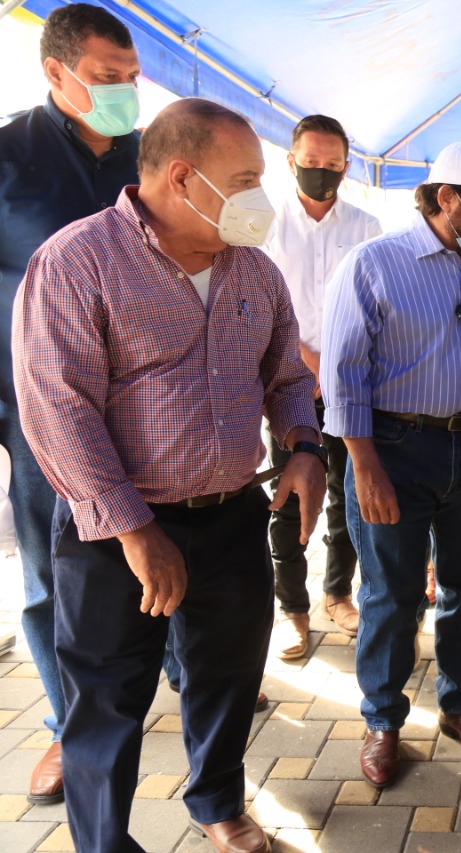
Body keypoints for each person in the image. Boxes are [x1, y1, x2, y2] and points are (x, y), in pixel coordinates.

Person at [15, 97, 326, 853]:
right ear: (184, 178)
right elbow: (59, 407)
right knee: (108, 700)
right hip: (113, 531)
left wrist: (304, 442)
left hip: (229, 515)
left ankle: (217, 797)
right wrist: (132, 527)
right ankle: (102, 841)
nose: (262, 193)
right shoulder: (77, 261)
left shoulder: (253, 268)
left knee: (226, 671)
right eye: (247, 177)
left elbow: (285, 370)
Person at [323, 140, 461, 773]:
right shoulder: (373, 265)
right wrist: (363, 465)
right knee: (392, 591)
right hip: (393, 449)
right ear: (449, 200)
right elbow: (342, 373)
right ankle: (382, 720)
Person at [0, 3, 142, 806]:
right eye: (105, 78)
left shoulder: (151, 154)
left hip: (155, 402)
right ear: (54, 73)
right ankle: (66, 724)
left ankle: (192, 678)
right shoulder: (6, 158)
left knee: (167, 544)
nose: (124, 92)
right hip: (43, 414)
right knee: (56, 574)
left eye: (131, 78)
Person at [260, 115, 382, 657]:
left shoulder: (367, 228)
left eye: (332, 166)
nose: (321, 174)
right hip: (282, 382)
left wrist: (332, 362)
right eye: (311, 164)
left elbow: (378, 307)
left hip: (347, 381)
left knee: (343, 494)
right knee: (285, 495)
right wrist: (300, 358)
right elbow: (251, 302)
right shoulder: (262, 223)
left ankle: (337, 593)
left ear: (346, 167)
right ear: (291, 161)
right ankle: (292, 609)